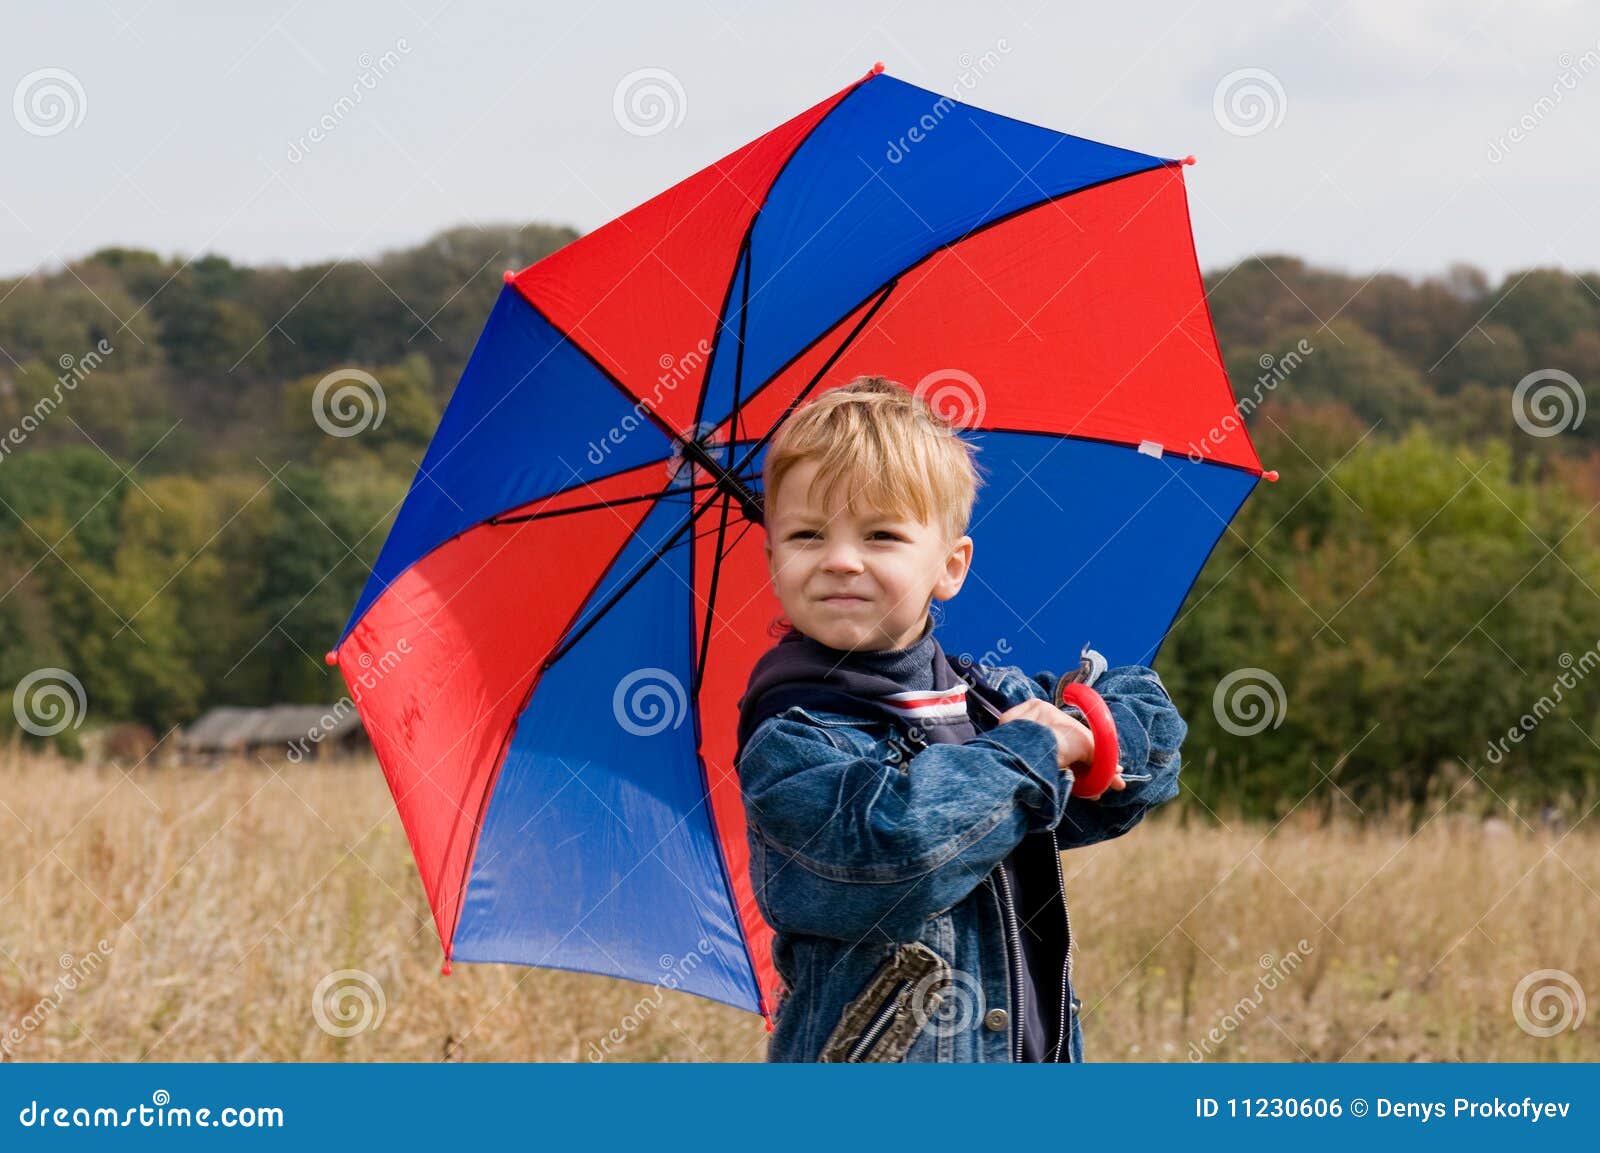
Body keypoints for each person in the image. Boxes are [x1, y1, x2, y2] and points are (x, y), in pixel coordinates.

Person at [733, 375, 1188, 1062]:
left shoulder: (984, 700)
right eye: (806, 534)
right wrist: (1031, 751)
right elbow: (899, 854)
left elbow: (1143, 761)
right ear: (773, 558)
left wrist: (1090, 729)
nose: (840, 559)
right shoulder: (794, 740)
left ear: (950, 565)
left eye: (882, 534)